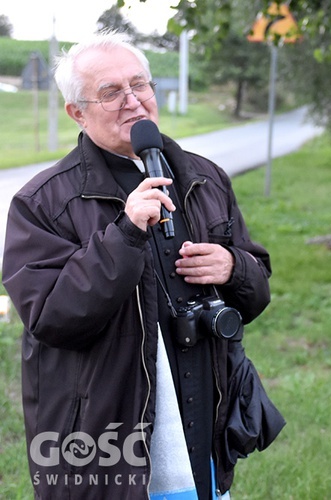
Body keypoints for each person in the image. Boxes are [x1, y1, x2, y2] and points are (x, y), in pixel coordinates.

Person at [2, 31, 283, 500]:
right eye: (111, 92)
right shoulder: (41, 202)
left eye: (140, 85)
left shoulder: (203, 177)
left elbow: (255, 290)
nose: (133, 101)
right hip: (106, 443)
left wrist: (233, 267)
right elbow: (53, 317)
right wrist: (126, 234)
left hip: (201, 428)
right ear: (78, 112)